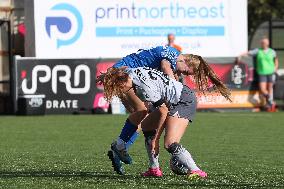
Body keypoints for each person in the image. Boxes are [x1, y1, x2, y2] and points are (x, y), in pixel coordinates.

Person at [101, 60, 231, 178]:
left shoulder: (145, 88)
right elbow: (120, 69)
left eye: (120, 88)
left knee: (169, 143)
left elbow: (163, 110)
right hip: (172, 100)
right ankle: (154, 169)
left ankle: (196, 171)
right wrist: (105, 77)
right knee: (147, 126)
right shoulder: (129, 72)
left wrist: (156, 140)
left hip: (183, 100)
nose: (122, 92)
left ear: (123, 82)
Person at [97, 46, 193, 175]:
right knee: (142, 112)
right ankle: (120, 147)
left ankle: (122, 151)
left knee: (143, 117)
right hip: (124, 76)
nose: (185, 74)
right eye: (187, 71)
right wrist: (174, 87)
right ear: (184, 60)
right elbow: (165, 67)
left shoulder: (171, 59)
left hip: (125, 75)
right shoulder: (172, 55)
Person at [238, 37, 278, 111]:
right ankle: (271, 102)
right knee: (263, 89)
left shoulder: (272, 51)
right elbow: (248, 53)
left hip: (271, 72)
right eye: (262, 43)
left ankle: (269, 105)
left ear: (268, 43)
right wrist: (240, 55)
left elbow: (276, 60)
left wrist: (275, 68)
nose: (264, 44)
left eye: (265, 42)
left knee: (269, 88)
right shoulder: (258, 51)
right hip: (261, 72)